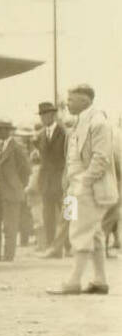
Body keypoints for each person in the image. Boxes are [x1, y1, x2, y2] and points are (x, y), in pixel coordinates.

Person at [47, 84, 116, 294]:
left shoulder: (98, 123)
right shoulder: (80, 121)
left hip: (90, 189)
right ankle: (99, 280)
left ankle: (74, 281)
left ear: (85, 101)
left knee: (80, 231)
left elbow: (101, 158)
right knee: (93, 233)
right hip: (78, 186)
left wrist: (83, 182)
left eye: (71, 99)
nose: (66, 103)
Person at [0, 118, 31, 262]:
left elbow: (26, 169)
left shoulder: (17, 146)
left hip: (11, 190)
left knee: (10, 224)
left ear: (7, 130)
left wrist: (18, 185)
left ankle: (8, 256)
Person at [33, 101, 67, 257]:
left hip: (62, 179)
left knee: (68, 213)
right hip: (46, 181)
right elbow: (41, 156)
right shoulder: (39, 136)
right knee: (48, 215)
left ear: (53, 115)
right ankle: (52, 247)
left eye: (46, 115)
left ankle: (70, 245)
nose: (43, 118)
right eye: (41, 115)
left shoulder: (65, 133)